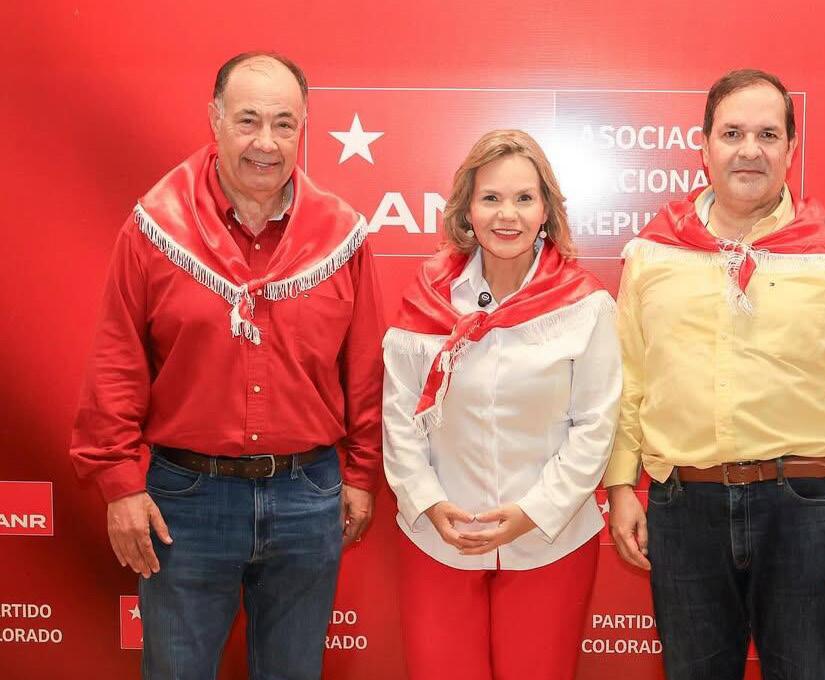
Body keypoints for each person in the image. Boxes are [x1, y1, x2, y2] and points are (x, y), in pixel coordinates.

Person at [69, 52, 384, 679]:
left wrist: (360, 474)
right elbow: (117, 362)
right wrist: (120, 483)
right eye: (248, 120)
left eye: (284, 124)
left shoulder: (341, 235)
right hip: (185, 501)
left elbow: (365, 369)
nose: (266, 142)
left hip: (308, 495)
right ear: (214, 120)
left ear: (303, 129)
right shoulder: (155, 228)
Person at [604, 69, 825, 680]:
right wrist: (620, 487)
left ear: (790, 149)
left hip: (806, 509)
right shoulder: (652, 254)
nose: (749, 149)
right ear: (704, 145)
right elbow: (629, 377)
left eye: (768, 135)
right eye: (733, 133)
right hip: (682, 506)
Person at [382, 129, 620, 680]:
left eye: (524, 198)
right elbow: (399, 417)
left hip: (549, 539)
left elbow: (595, 425)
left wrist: (532, 513)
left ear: (546, 211)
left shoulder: (586, 306)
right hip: (439, 537)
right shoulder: (427, 300)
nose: (507, 214)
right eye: (490, 198)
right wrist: (428, 502)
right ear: (468, 209)